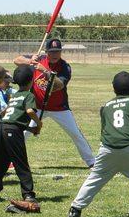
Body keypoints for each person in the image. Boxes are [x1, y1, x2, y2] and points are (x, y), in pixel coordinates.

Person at [68, 71, 129, 217]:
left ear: (113, 89)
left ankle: (75, 209)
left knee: (95, 178)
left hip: (107, 148)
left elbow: (107, 129)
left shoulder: (105, 106)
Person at [14, 38, 95, 167]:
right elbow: (16, 60)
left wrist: (44, 71)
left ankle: (91, 162)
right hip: (37, 106)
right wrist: (30, 61)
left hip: (59, 108)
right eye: (52, 52)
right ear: (46, 52)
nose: (55, 55)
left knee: (75, 134)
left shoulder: (65, 67)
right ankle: (12, 160)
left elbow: (58, 85)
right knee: (23, 132)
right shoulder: (39, 60)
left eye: (58, 51)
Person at [0, 65, 42, 202]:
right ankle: (28, 194)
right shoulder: (29, 95)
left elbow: (8, 116)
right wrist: (38, 123)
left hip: (2, 128)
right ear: (31, 81)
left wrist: (30, 129)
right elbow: (29, 111)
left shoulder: (14, 95)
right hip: (12, 132)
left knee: (0, 163)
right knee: (21, 163)